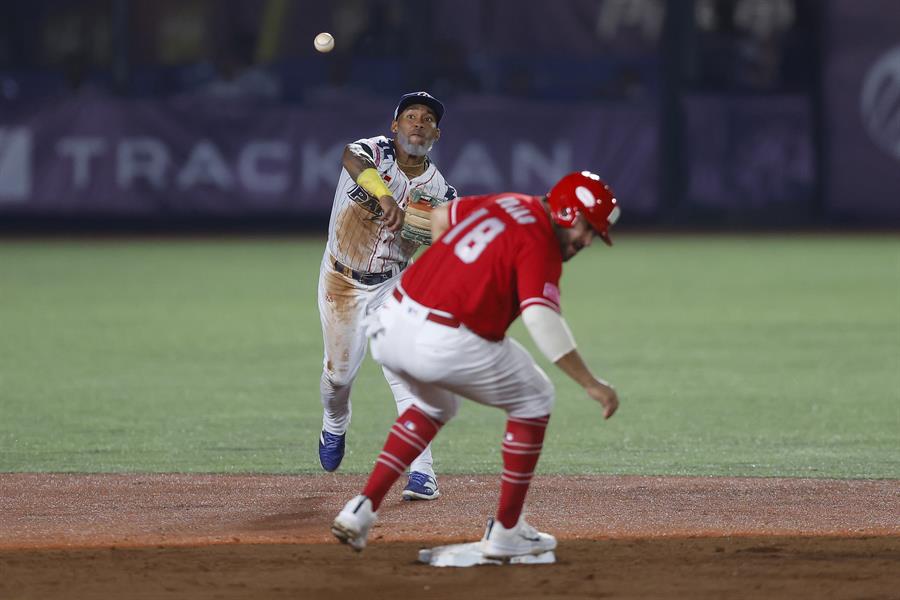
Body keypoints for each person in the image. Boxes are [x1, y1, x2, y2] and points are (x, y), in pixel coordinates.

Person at [331, 171, 621, 557]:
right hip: (442, 338)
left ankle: (361, 509)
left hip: (392, 320)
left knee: (436, 405)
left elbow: (441, 216)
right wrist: (590, 382)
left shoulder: (510, 202)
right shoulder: (540, 241)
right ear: (567, 211)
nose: (587, 241)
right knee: (536, 397)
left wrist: (457, 273)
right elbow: (541, 319)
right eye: (587, 228)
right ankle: (507, 532)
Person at [317, 91, 457, 501]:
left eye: (427, 119)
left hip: (393, 286)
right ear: (394, 126)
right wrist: (384, 196)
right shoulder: (372, 151)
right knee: (338, 379)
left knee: (408, 373)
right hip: (341, 280)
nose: (418, 122)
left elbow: (449, 238)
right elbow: (350, 158)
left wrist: (436, 233)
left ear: (436, 133)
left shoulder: (438, 190)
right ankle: (334, 423)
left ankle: (423, 472)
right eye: (410, 115)